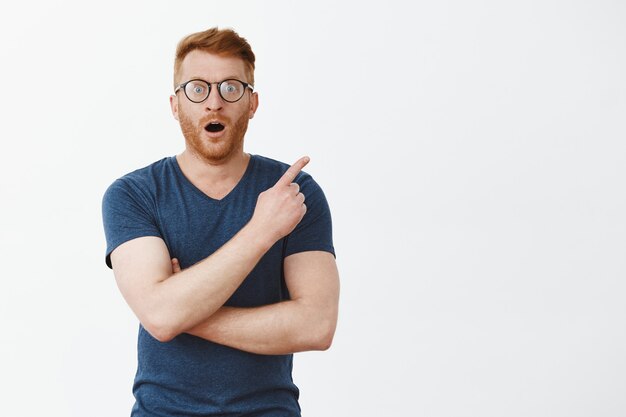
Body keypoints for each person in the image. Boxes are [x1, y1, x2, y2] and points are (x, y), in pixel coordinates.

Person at [101, 27, 340, 416]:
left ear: (252, 103)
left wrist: (184, 313)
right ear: (176, 104)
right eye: (197, 88)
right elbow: (160, 317)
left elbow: (316, 326)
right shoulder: (133, 194)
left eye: (231, 88)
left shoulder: (294, 193)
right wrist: (262, 230)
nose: (214, 103)